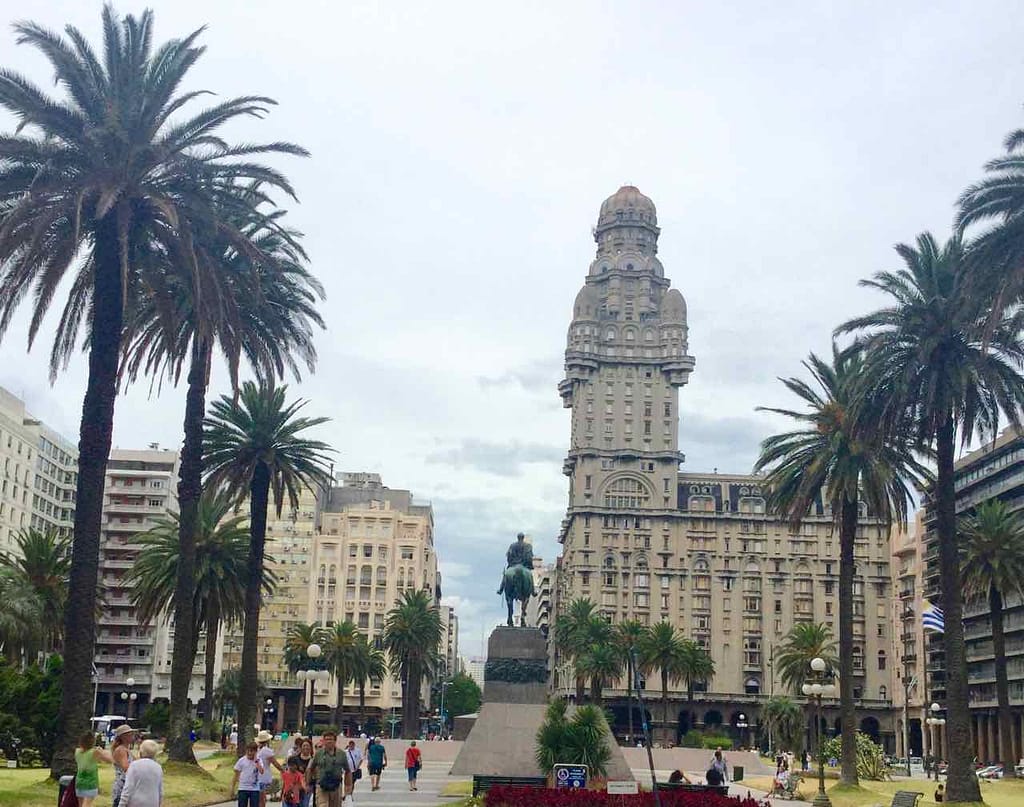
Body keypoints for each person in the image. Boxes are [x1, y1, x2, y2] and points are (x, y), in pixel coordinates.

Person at [305, 730, 351, 807]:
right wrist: (308, 784)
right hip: (321, 785)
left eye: (331, 739)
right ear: (323, 741)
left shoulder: (341, 754)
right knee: (322, 805)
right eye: (326, 739)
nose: (328, 741)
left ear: (335, 741)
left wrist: (348, 786)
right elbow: (310, 769)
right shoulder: (318, 753)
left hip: (336, 786)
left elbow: (348, 771)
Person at [119, 740, 163, 807]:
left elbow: (128, 788)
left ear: (141, 751)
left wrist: (121, 804)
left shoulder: (134, 765)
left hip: (135, 802)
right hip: (153, 802)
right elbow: (160, 790)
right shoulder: (158, 767)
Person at [75, 732, 113, 807]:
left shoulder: (77, 751)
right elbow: (110, 760)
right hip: (91, 783)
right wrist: (101, 751)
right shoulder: (94, 752)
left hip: (79, 782)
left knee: (81, 804)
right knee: (87, 804)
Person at [254, 730, 283, 807]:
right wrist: (282, 770)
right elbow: (275, 763)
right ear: (267, 741)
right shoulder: (267, 751)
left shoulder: (257, 750)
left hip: (256, 776)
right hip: (263, 777)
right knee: (262, 798)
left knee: (259, 797)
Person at [110, 724, 136, 807]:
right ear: (123, 737)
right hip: (122, 786)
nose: (132, 736)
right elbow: (126, 767)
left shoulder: (126, 749)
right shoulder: (121, 750)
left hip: (127, 785)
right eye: (130, 734)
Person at [232, 742, 264, 807]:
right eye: (248, 751)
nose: (249, 753)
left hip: (254, 789)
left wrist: (256, 761)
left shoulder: (259, 760)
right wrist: (232, 788)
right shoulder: (242, 760)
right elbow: (236, 774)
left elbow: (261, 771)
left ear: (255, 752)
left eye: (252, 751)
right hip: (243, 788)